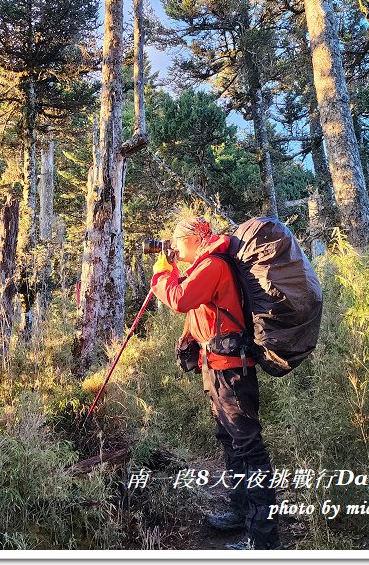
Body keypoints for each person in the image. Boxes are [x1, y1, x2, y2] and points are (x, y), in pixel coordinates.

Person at [150, 217, 281, 550]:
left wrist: (161, 271)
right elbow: (197, 312)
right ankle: (240, 513)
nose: (174, 248)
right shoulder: (205, 264)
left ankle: (262, 540)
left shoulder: (213, 264)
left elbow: (179, 299)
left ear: (193, 239)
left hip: (232, 371)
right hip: (218, 367)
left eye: (177, 242)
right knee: (231, 443)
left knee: (248, 449)